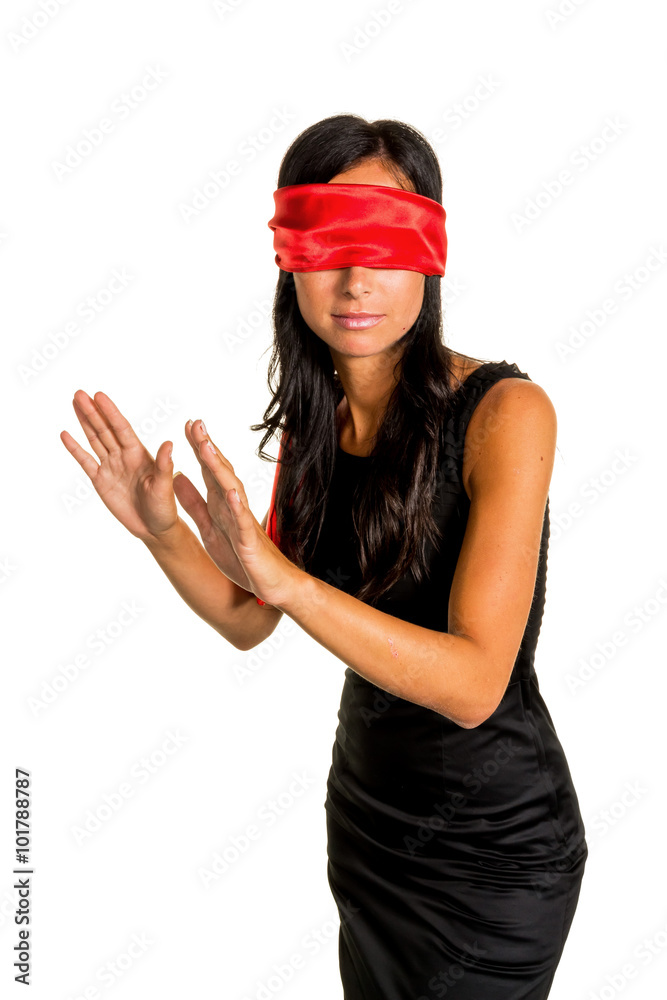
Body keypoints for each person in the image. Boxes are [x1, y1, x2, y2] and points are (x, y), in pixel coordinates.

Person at [60, 114, 588, 999]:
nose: (354, 280)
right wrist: (163, 533)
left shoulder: (506, 413)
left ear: (430, 255)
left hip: (493, 852)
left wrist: (290, 583)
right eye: (329, 246)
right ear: (290, 260)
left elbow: (473, 685)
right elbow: (249, 618)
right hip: (369, 829)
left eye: (383, 244)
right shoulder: (318, 424)